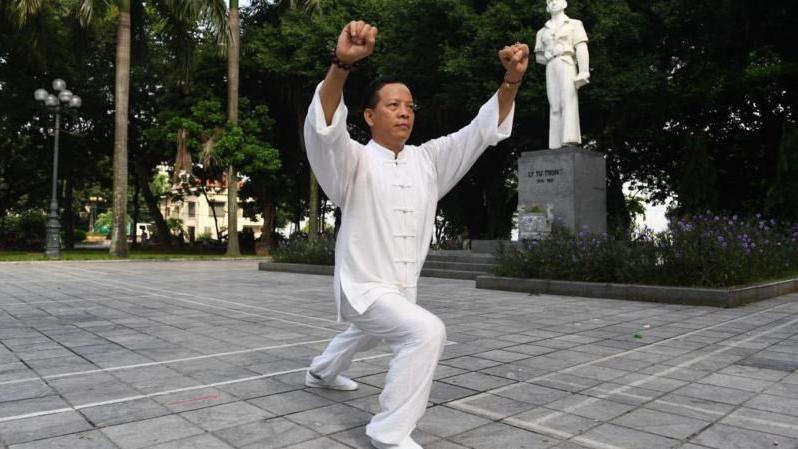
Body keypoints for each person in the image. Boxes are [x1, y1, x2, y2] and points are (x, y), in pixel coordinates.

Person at [302, 20, 528, 449]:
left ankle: (321, 372)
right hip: (364, 288)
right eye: (392, 105)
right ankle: (387, 432)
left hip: (400, 289)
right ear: (369, 116)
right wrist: (341, 65)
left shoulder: (429, 160)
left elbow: (480, 131)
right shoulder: (350, 161)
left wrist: (512, 79)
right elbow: (325, 128)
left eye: (409, 105)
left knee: (366, 331)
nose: (405, 111)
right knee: (425, 332)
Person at [535, 0, 590, 149]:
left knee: (568, 100)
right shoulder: (542, 31)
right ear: (547, 7)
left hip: (566, 62)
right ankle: (554, 143)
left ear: (564, 4)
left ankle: (569, 138)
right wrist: (546, 55)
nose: (553, 3)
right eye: (550, 1)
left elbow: (581, 47)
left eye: (556, 0)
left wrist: (584, 71)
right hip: (551, 65)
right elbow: (538, 57)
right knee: (554, 105)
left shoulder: (574, 24)